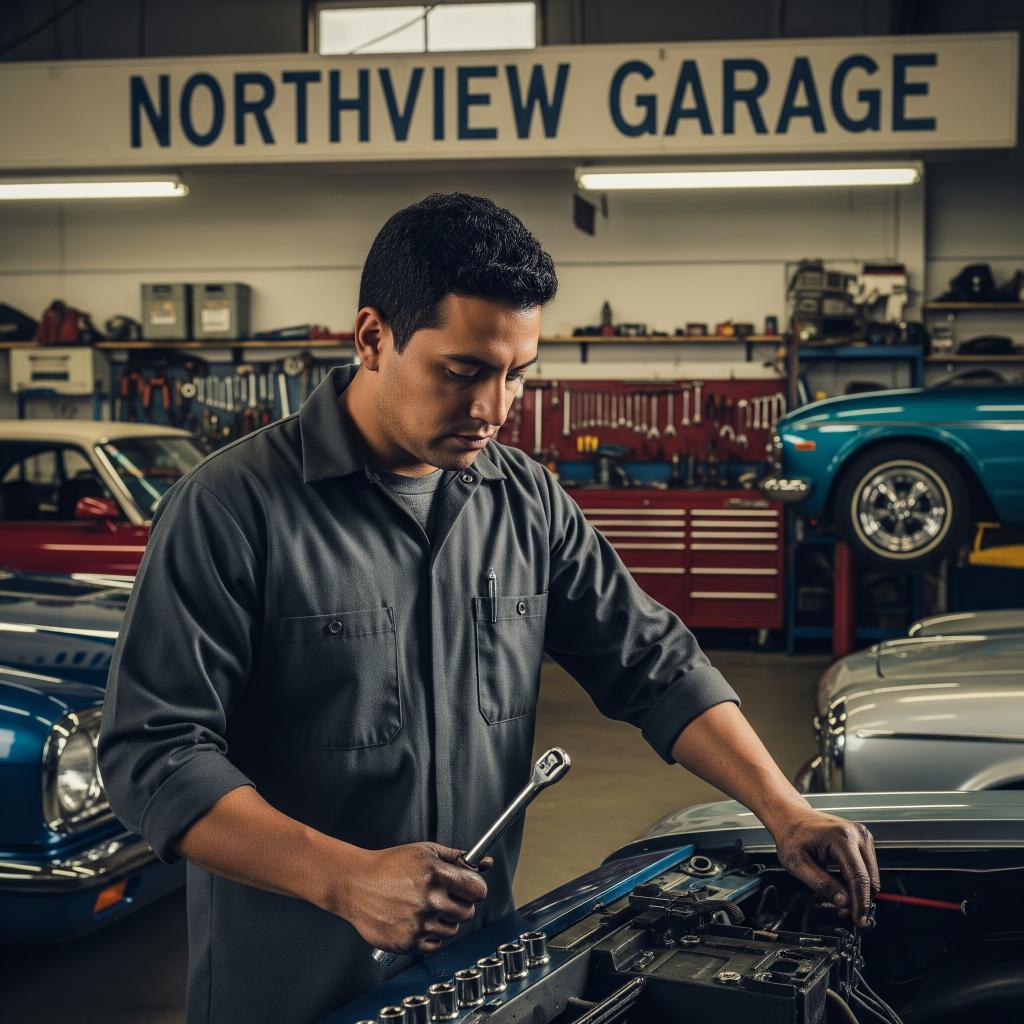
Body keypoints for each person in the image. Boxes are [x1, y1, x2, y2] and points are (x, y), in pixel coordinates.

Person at [99, 192, 879, 1024]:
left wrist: (785, 810)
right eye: (463, 371)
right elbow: (155, 756)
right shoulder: (231, 508)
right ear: (372, 338)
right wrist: (345, 878)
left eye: (517, 374)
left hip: (480, 981)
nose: (495, 409)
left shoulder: (525, 503)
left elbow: (654, 664)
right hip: (290, 994)